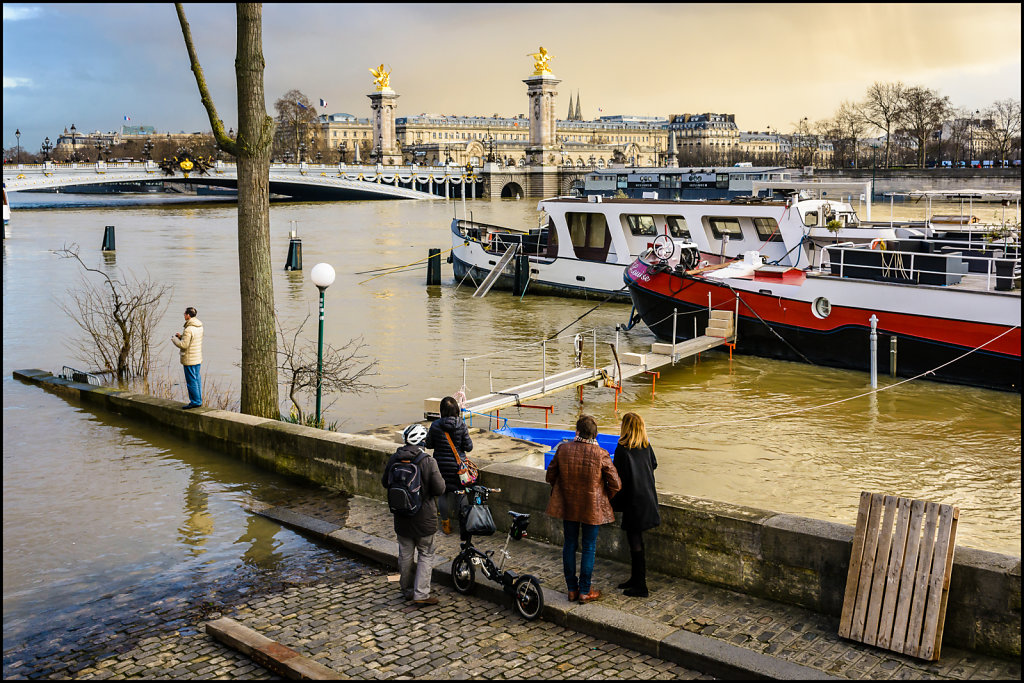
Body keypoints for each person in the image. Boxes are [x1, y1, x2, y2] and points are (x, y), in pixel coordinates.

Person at [546, 414, 621, 604]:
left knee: (569, 544)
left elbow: (550, 476)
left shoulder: (563, 449)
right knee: (589, 547)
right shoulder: (601, 454)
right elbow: (616, 484)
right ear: (595, 435)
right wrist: (602, 496)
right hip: (592, 507)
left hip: (568, 504)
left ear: (577, 432)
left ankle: (571, 589)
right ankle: (585, 590)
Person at [381, 424, 445, 606]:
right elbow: (440, 489)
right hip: (424, 518)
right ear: (422, 442)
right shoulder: (427, 461)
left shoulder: (395, 459)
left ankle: (407, 590)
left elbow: (385, 482)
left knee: (405, 553)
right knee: (425, 553)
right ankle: (421, 594)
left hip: (401, 516)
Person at [610, 412, 661, 597]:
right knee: (636, 540)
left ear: (626, 427)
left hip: (633, 500)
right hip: (647, 498)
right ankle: (636, 579)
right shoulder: (646, 446)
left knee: (635, 542)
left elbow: (617, 476)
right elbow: (654, 464)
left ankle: (641, 586)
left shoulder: (623, 449)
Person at [424, 396, 474, 537]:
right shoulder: (462, 425)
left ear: (441, 411)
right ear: (457, 410)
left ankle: (445, 524)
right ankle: (464, 525)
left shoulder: (435, 426)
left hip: (440, 467)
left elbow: (429, 444)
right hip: (459, 468)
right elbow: (468, 447)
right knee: (461, 493)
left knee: (443, 494)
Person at [171, 307, 204, 409]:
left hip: (190, 359)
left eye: (184, 313)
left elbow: (184, 345)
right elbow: (192, 341)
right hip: (197, 357)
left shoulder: (189, 329)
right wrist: (181, 336)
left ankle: (195, 402)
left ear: (188, 315)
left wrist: (175, 340)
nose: (184, 315)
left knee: (191, 382)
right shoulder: (199, 326)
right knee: (197, 379)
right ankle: (198, 400)